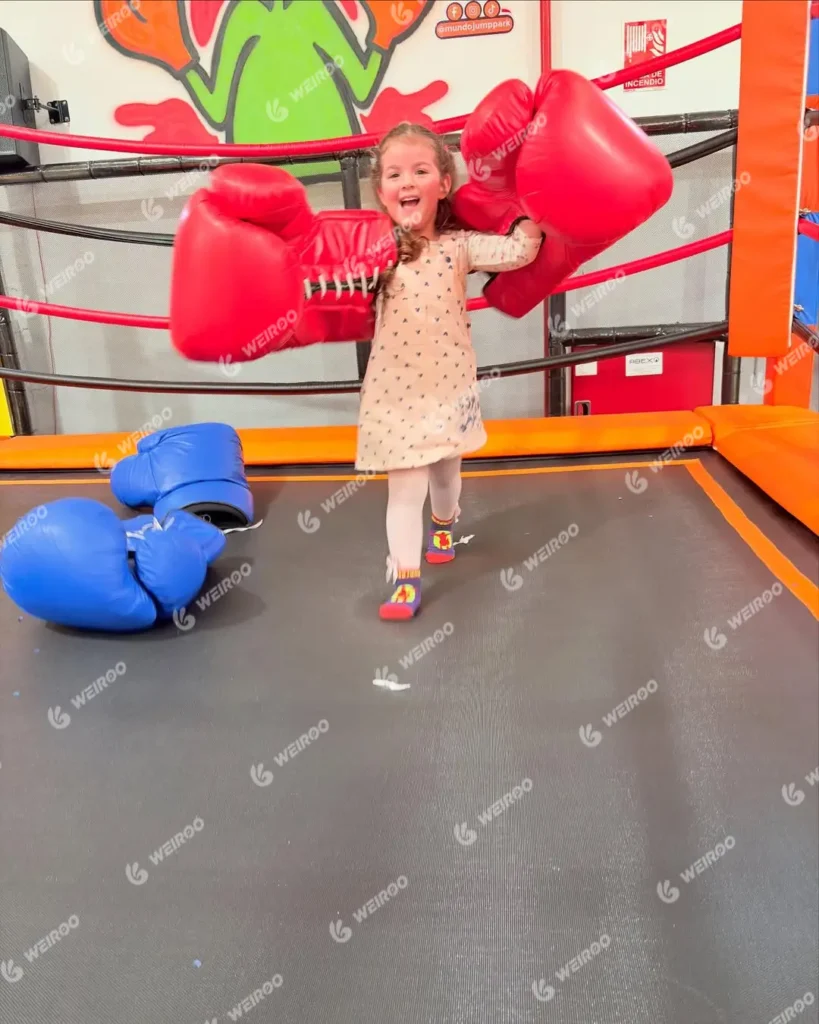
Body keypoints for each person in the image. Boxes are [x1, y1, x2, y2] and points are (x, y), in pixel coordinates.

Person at [356, 122, 543, 621]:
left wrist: (531, 214)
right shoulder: (376, 251)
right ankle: (405, 577)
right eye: (395, 174)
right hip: (395, 394)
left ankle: (445, 523)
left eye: (420, 170)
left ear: (443, 185)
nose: (407, 182)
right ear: (382, 192)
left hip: (449, 386)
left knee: (446, 476)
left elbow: (519, 252)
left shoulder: (457, 246)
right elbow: (334, 286)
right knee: (404, 490)